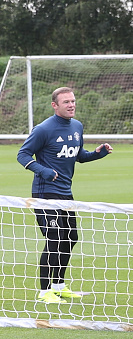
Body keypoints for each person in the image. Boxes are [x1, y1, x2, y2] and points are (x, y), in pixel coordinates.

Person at [17, 87, 113, 304]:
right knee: (53, 239)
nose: (71, 105)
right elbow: (22, 154)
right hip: (44, 194)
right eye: (66, 102)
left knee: (70, 238)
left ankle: (59, 286)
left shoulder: (77, 126)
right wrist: (43, 171)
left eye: (73, 101)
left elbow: (79, 156)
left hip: (66, 194)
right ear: (55, 105)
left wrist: (98, 154)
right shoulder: (43, 129)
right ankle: (44, 291)